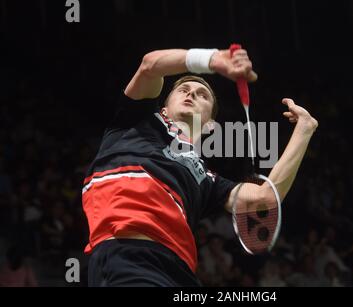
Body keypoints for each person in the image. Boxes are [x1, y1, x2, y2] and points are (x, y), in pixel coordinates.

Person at [83, 47, 318, 286]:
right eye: (183, 90)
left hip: (180, 272)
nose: (191, 94)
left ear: (210, 127)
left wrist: (304, 130)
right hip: (130, 257)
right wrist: (213, 60)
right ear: (163, 108)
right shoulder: (136, 121)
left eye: (202, 95)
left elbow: (264, 198)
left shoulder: (206, 179)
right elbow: (149, 65)